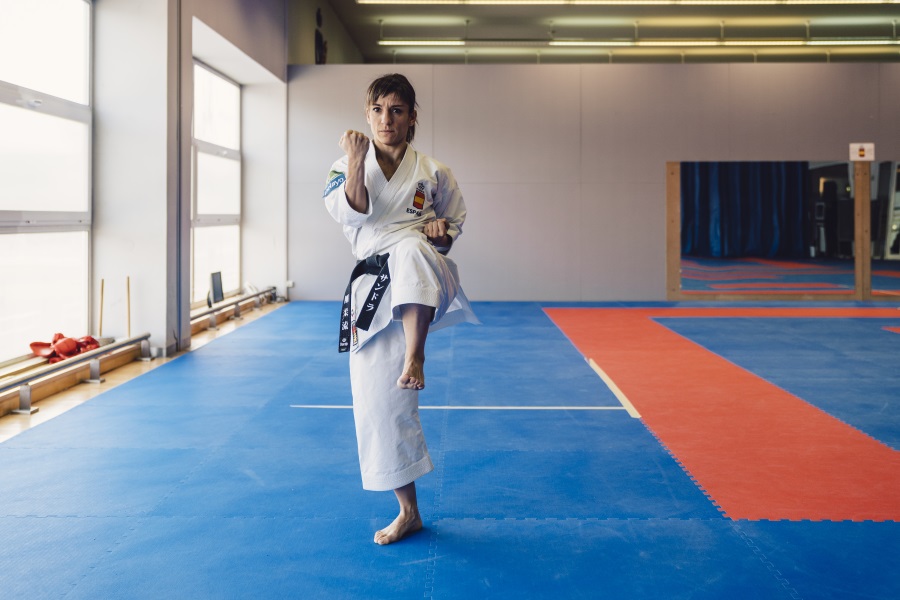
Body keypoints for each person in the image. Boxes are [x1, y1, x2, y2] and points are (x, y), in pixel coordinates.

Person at [323, 73, 478, 545]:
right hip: (373, 289)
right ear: (367, 114)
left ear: (412, 117)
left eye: (396, 110)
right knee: (378, 404)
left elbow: (452, 227)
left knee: (409, 250)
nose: (386, 120)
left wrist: (439, 233)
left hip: (425, 276)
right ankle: (407, 510)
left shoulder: (434, 171)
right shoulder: (343, 165)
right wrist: (354, 160)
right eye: (377, 110)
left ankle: (417, 353)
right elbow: (352, 213)